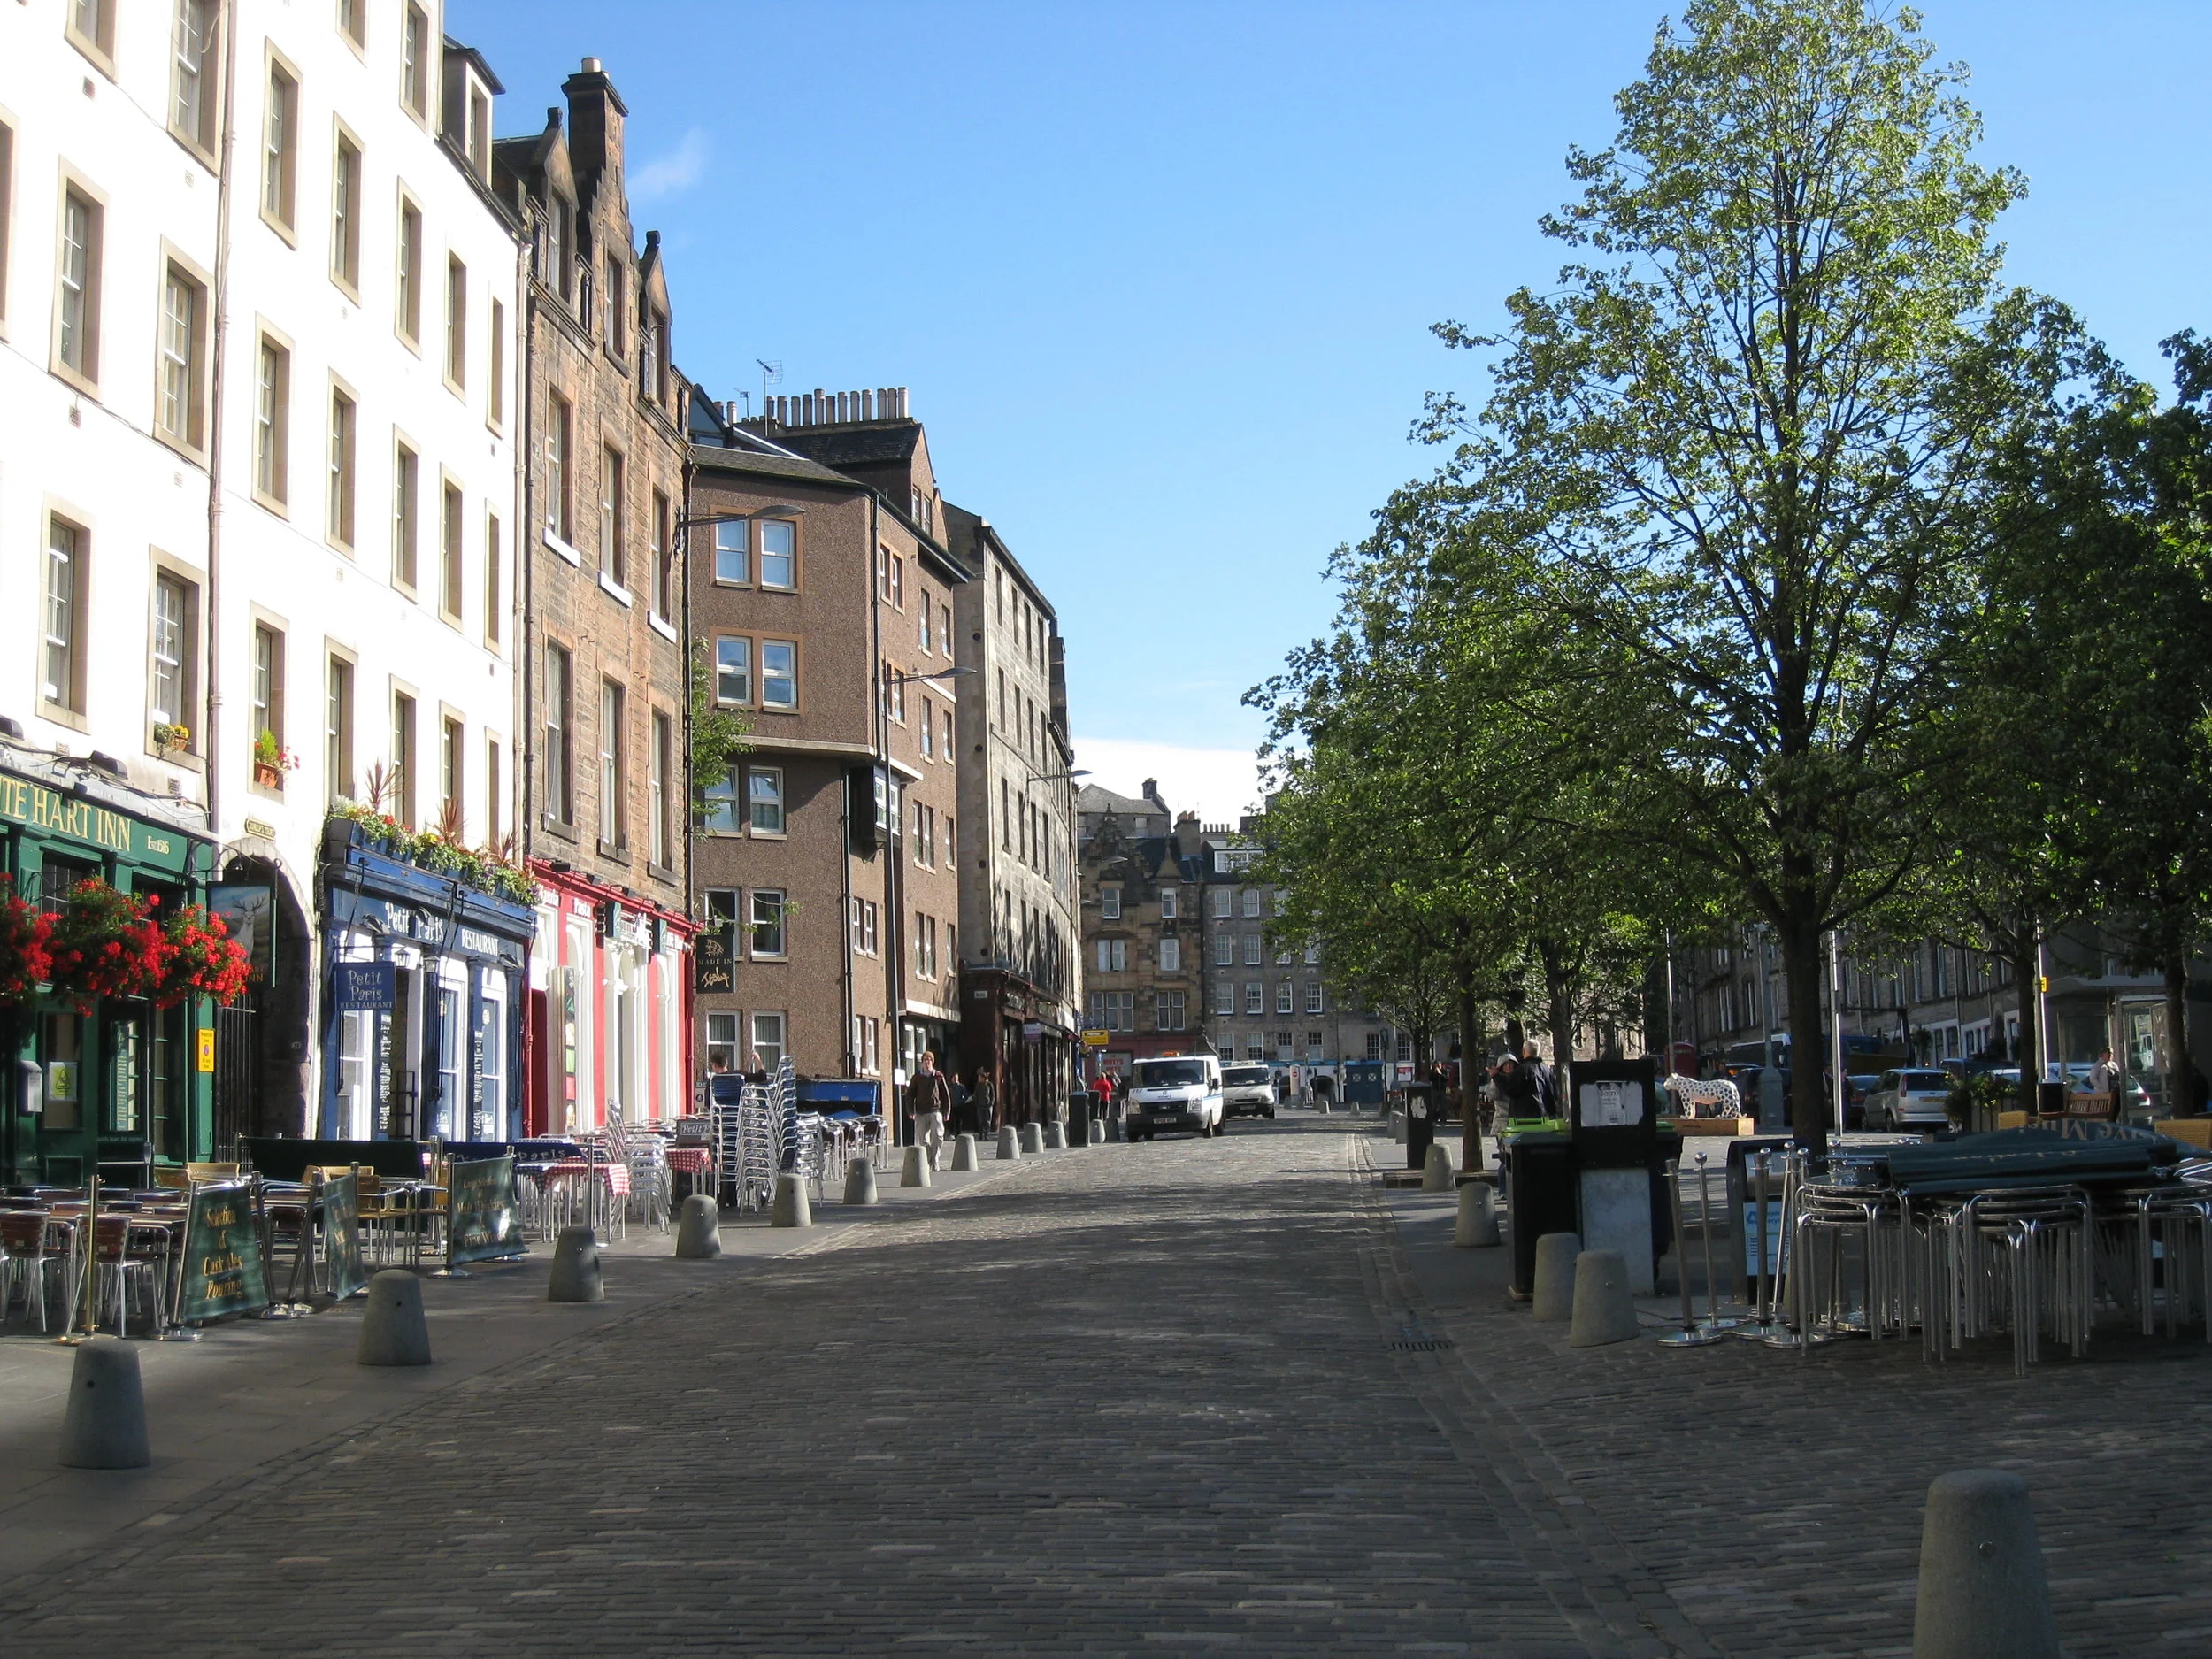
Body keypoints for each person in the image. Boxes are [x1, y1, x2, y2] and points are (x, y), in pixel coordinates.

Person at [906, 1049, 952, 1170]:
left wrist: (947, 1111)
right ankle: (929, 1160)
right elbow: (910, 1095)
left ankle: (935, 1157)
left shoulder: (938, 1076)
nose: (927, 1062)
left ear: (932, 1062)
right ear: (922, 1063)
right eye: (925, 1060)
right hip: (921, 1112)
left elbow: (945, 1095)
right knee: (923, 1139)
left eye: (929, 1060)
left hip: (935, 1111)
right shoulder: (917, 1077)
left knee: (938, 1135)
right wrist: (911, 1111)